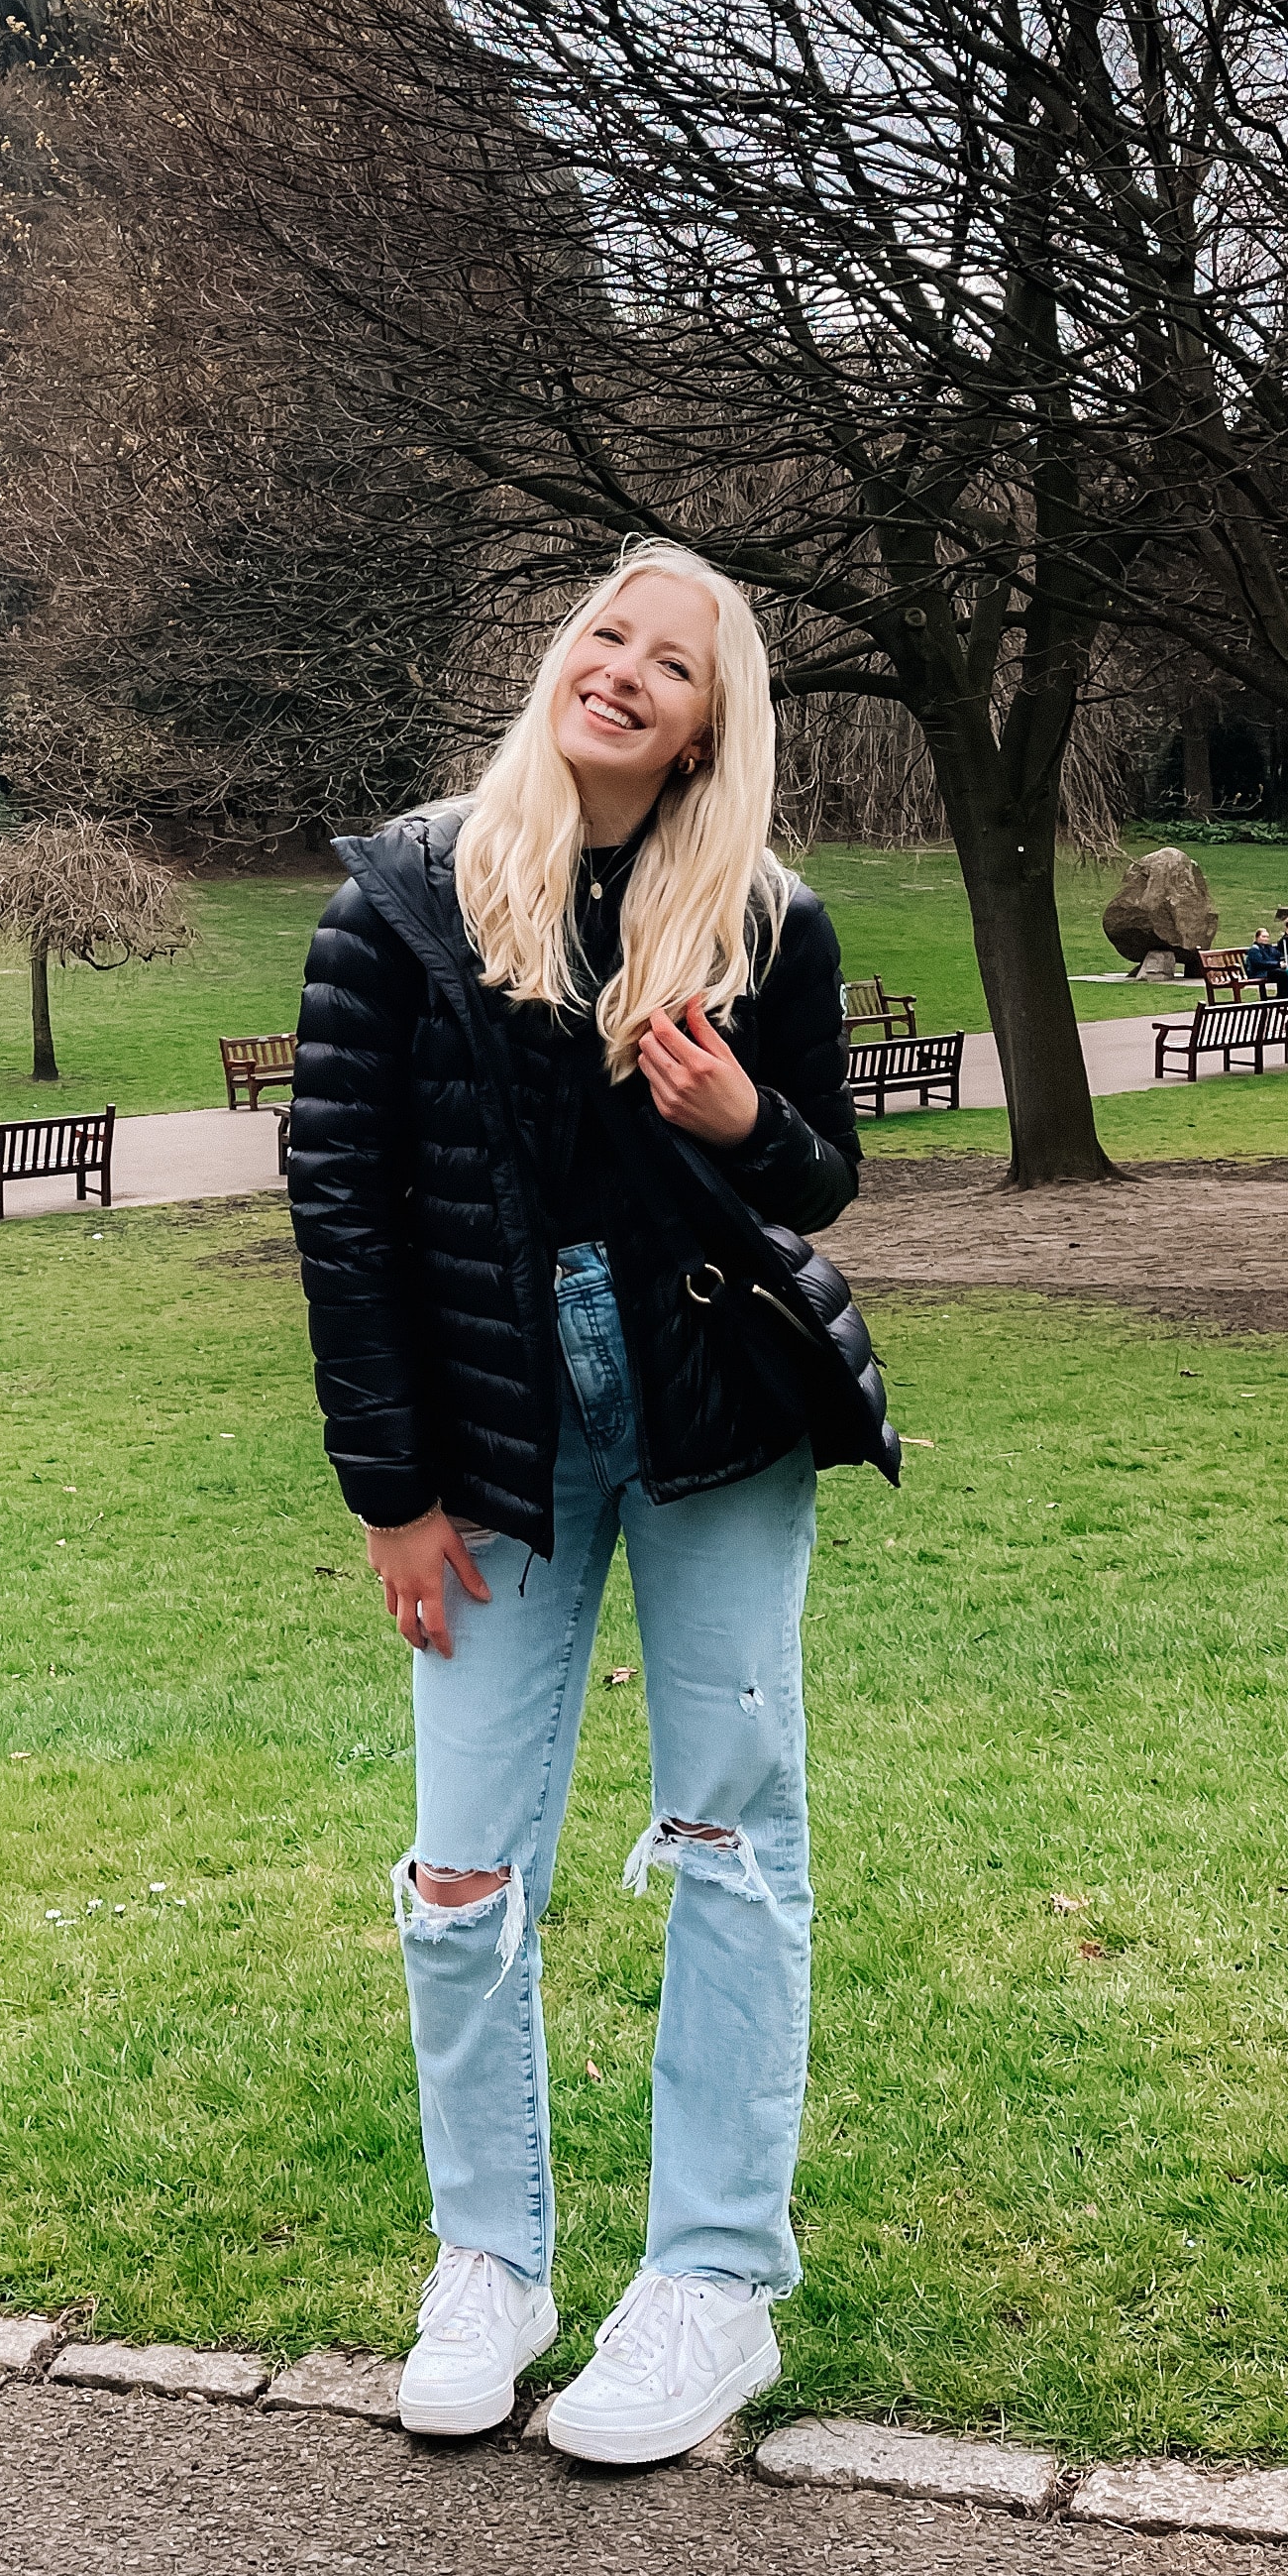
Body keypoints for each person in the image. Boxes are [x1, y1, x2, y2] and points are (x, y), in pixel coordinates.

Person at [289, 543, 872, 2465]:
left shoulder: (767, 924)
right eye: (606, 636)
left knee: (730, 1843)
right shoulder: (403, 901)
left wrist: (740, 1127)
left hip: (716, 1432)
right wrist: (393, 1498)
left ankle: (711, 2287)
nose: (624, 671)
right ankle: (493, 2263)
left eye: (673, 661)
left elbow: (817, 1186)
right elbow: (342, 1214)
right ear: (564, 660)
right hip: (491, 1456)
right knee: (461, 1869)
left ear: (716, 720)